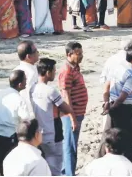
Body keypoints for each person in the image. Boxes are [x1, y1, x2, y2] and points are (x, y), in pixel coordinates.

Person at [0, 70, 30, 175]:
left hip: (0, 136)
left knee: (3, 166)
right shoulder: (19, 99)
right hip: (14, 137)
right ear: (20, 84)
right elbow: (26, 120)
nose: (27, 81)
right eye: (25, 79)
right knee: (16, 168)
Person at [33, 58, 75, 175]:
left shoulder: (32, 89)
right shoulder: (51, 91)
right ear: (47, 72)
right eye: (54, 71)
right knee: (55, 168)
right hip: (53, 133)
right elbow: (66, 109)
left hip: (37, 134)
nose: (55, 73)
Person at [102, 45, 132, 161]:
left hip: (114, 106)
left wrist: (107, 103)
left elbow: (108, 85)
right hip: (123, 109)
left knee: (111, 136)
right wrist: (113, 107)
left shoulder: (118, 67)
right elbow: (123, 96)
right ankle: (127, 161)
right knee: (127, 138)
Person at [59, 42, 89, 175]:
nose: (81, 56)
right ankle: (69, 173)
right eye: (78, 54)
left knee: (72, 145)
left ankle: (68, 171)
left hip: (78, 113)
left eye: (81, 53)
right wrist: (72, 118)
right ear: (69, 54)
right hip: (72, 114)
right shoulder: (66, 71)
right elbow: (66, 97)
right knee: (70, 146)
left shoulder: (75, 68)